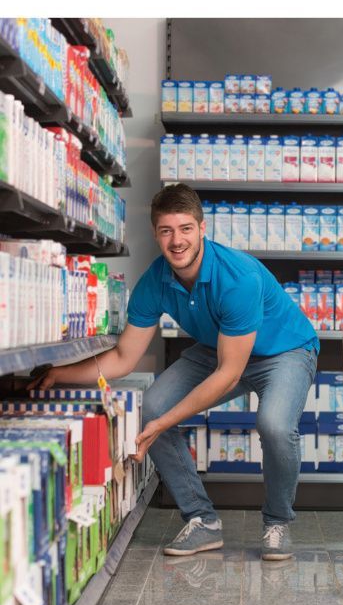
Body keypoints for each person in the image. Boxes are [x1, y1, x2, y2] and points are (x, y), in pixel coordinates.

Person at [30, 183, 319, 561]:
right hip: (220, 349)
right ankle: (202, 520)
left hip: (285, 351)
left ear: (202, 229)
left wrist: (166, 422)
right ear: (155, 234)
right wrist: (58, 373)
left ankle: (277, 522)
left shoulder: (237, 278)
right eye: (166, 231)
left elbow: (229, 375)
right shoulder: (155, 281)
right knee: (150, 407)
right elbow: (123, 358)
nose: (176, 240)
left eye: (185, 229)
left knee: (276, 425)